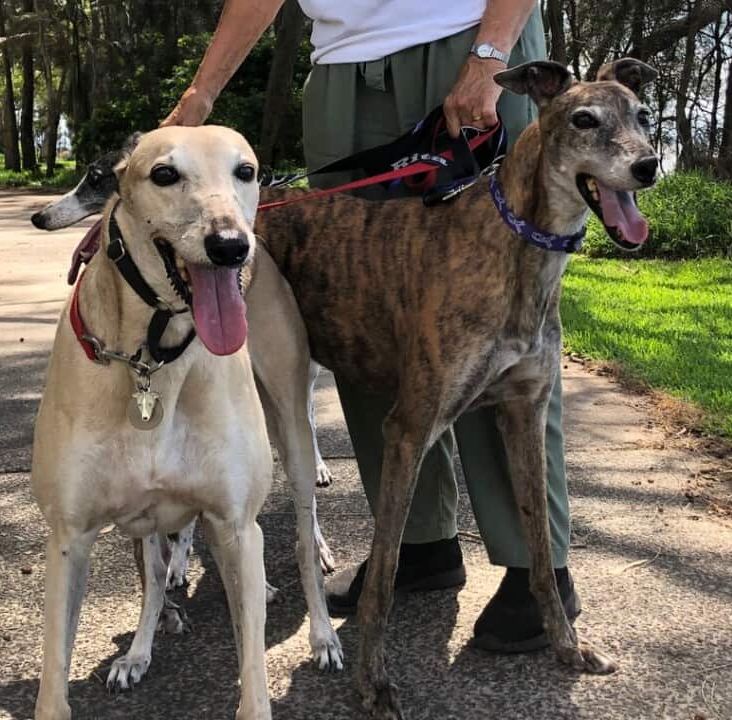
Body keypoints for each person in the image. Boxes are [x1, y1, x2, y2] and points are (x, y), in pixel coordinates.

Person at [163, 0, 580, 653]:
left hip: (470, 44)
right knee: (355, 310)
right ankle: (419, 546)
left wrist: (490, 54)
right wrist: (201, 92)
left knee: (490, 313)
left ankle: (538, 570)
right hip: (343, 75)